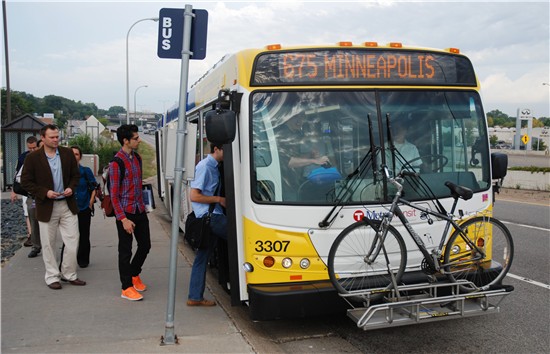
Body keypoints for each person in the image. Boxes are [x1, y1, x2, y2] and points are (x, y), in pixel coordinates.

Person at [20, 124, 86, 290]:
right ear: (43, 138)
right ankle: (52, 277)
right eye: (52, 137)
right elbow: (25, 182)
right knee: (48, 244)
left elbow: (75, 175)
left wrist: (71, 186)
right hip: (46, 205)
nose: (56, 139)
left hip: (67, 204)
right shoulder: (33, 158)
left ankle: (68, 274)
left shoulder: (66, 154)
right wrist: (44, 192)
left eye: (57, 136)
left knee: (73, 241)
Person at [109, 124, 150, 301]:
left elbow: (138, 184)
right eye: (135, 138)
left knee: (145, 245)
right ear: (125, 141)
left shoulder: (137, 158)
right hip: (125, 212)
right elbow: (114, 195)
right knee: (125, 251)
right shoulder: (116, 163)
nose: (139, 140)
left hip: (139, 209)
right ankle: (126, 287)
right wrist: (123, 219)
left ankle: (134, 274)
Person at [187, 142, 227, 307]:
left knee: (202, 257)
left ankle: (195, 297)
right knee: (245, 237)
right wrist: (219, 199)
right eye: (226, 149)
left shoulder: (216, 165)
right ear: (216, 149)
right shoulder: (204, 166)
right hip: (210, 217)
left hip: (210, 216)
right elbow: (194, 196)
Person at [275, 112, 331, 200]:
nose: (299, 120)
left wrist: (310, 155)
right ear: (287, 118)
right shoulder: (282, 134)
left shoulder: (295, 134)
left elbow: (294, 157)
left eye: (302, 117)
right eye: (296, 117)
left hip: (295, 183)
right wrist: (314, 161)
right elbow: (288, 162)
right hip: (286, 185)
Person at [71, 145, 97, 268]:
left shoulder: (86, 171)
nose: (73, 156)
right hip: (69, 208)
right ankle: (68, 260)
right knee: (69, 235)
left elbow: (94, 187)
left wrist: (90, 202)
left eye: (76, 154)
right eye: (71, 154)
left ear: (80, 157)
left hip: (84, 206)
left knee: (84, 234)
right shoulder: (64, 173)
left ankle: (83, 260)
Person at [11, 136, 38, 248]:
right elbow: (17, 174)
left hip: (39, 190)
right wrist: (14, 191)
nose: (32, 150)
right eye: (30, 148)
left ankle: (36, 236)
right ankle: (31, 235)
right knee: (28, 212)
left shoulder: (42, 156)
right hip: (26, 191)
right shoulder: (23, 157)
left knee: (37, 213)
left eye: (34, 148)